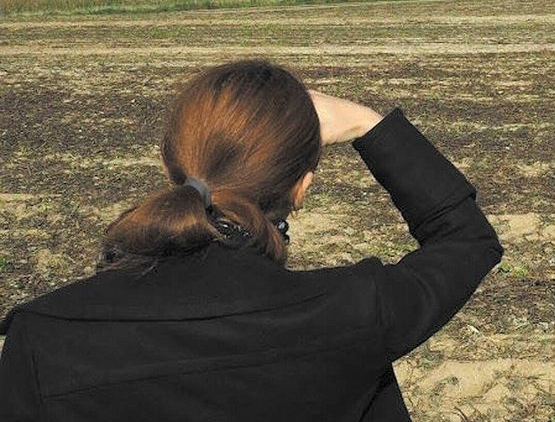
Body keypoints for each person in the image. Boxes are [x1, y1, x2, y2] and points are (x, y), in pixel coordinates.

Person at [0, 59, 503, 421]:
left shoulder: (44, 335)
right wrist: (369, 125)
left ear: (167, 167)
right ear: (302, 186)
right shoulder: (354, 310)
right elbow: (466, 240)